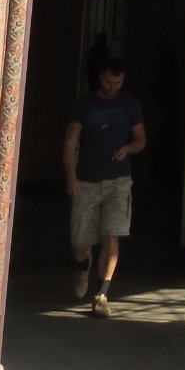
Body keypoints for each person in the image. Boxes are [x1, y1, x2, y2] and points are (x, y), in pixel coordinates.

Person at [64, 56, 146, 316]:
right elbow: (70, 142)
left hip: (118, 179)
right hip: (87, 179)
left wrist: (128, 149)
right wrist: (71, 177)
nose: (113, 87)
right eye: (109, 82)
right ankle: (83, 267)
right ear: (101, 78)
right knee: (81, 238)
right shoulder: (85, 105)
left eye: (118, 83)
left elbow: (140, 140)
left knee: (112, 234)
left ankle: (101, 294)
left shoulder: (130, 104)